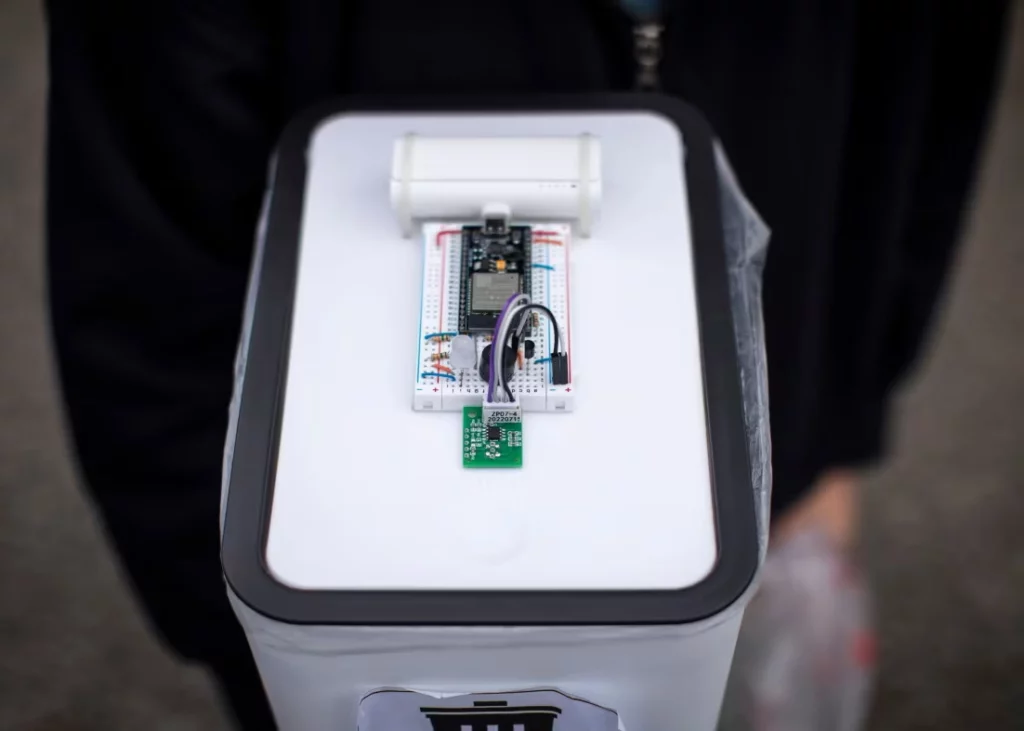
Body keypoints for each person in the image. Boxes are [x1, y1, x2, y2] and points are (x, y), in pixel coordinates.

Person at [45, 1, 1010, 728]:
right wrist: (259, 640)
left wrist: (835, 430)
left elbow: (925, 115)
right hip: (332, 597)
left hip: (758, 446)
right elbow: (137, 272)